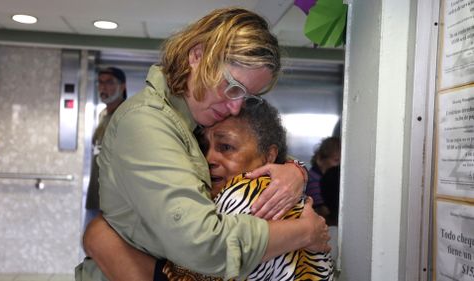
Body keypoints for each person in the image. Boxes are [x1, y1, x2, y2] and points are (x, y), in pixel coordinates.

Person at [76, 7, 330, 281]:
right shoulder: (146, 123)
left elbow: (258, 151)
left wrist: (294, 169)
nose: (235, 107)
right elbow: (205, 246)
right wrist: (305, 232)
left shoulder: (195, 118)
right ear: (198, 56)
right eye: (232, 86)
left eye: (246, 97)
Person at [84, 100, 334, 281]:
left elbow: (206, 260)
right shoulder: (277, 188)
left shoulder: (251, 198)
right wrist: (296, 168)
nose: (209, 158)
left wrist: (103, 241)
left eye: (226, 147)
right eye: (204, 147)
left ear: (268, 155)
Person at [84, 67, 128, 228]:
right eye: (100, 82)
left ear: (122, 86)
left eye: (109, 82)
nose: (103, 87)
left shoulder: (127, 116)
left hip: (113, 204)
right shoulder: (103, 115)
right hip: (95, 198)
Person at [305, 137, 341, 218]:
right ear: (320, 159)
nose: (340, 165)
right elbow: (322, 210)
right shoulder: (313, 180)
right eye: (336, 160)